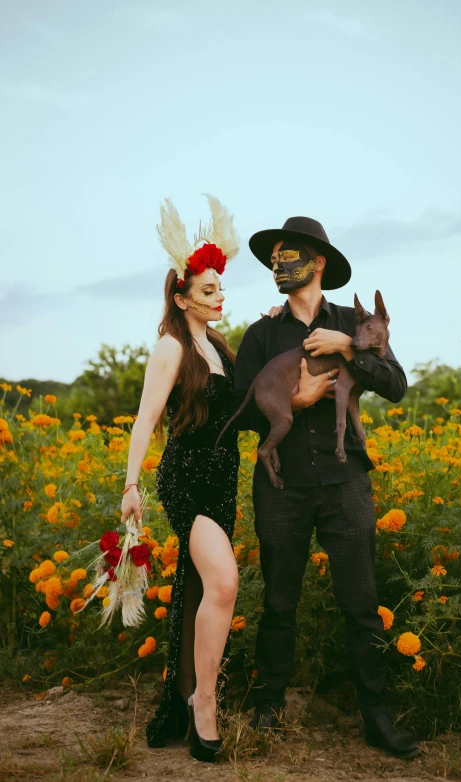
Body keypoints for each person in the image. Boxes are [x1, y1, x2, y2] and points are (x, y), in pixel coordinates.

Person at [233, 216, 422, 759]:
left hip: (346, 484)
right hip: (282, 486)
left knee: (362, 603)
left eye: (287, 254)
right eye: (274, 257)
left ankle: (376, 716)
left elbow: (396, 386)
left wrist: (350, 347)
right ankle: (268, 709)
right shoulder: (262, 334)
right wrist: (291, 404)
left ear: (316, 263)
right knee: (277, 601)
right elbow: (239, 410)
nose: (278, 264)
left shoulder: (352, 321)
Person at [120, 196, 241, 762]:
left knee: (199, 590)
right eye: (209, 290)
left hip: (223, 482)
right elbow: (146, 418)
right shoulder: (171, 346)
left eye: (221, 289)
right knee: (222, 584)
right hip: (187, 480)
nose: (220, 298)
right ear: (181, 295)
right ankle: (204, 705)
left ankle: (186, 695)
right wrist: (131, 487)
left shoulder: (219, 346)